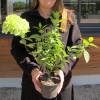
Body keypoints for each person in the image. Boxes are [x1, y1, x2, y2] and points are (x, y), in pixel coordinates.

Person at [11, 0, 82, 100]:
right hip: (33, 87)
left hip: (62, 87)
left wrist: (62, 70)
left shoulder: (67, 17)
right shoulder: (26, 18)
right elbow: (17, 49)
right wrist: (32, 69)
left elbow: (77, 46)